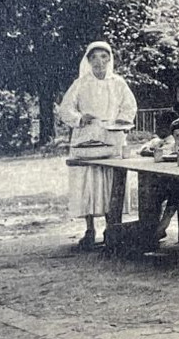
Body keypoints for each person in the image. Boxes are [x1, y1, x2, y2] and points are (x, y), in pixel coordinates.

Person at [58, 40, 139, 249]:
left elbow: (130, 107)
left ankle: (111, 228)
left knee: (111, 182)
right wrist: (79, 118)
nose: (99, 62)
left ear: (110, 59)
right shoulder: (81, 83)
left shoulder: (118, 83)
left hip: (111, 138)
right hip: (86, 137)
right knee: (88, 182)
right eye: (94, 57)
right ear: (88, 60)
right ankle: (89, 229)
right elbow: (65, 109)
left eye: (103, 57)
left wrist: (120, 120)